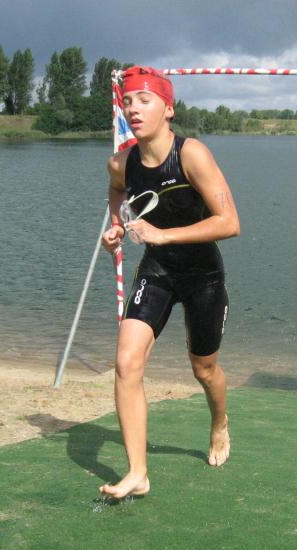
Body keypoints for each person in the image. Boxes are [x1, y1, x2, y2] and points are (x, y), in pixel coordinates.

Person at [99, 66, 240, 499]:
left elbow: (229, 222)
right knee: (126, 363)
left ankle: (219, 422)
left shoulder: (191, 154)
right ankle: (137, 472)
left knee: (204, 369)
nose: (133, 109)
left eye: (145, 100)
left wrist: (163, 234)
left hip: (203, 274)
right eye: (128, 101)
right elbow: (118, 192)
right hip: (157, 271)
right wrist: (117, 226)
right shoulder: (121, 162)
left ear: (168, 109)